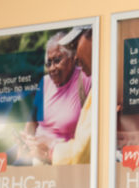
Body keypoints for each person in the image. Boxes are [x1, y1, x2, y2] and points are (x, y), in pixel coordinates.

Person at [16, 31, 91, 165]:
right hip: (37, 158)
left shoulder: (85, 78)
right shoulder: (44, 83)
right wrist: (26, 141)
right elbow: (33, 120)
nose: (52, 68)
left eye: (57, 61)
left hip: (63, 160)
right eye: (48, 63)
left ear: (72, 58)